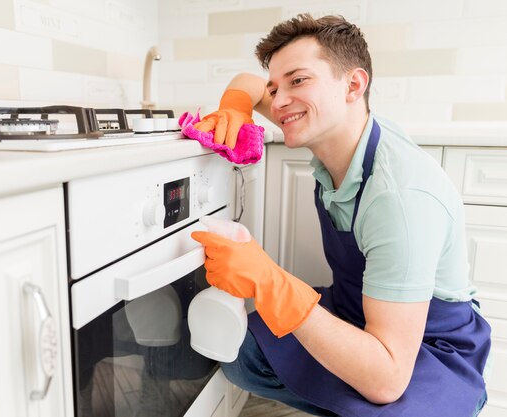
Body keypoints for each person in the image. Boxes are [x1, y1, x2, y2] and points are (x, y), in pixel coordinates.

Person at [190, 14, 491, 417]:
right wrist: (236, 107)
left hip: (430, 346)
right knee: (245, 356)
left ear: (353, 85)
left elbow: (388, 379)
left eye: (298, 81)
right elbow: (249, 82)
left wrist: (270, 282)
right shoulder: (337, 132)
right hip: (358, 307)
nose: (277, 102)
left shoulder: (399, 197)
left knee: (380, 390)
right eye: (275, 87)